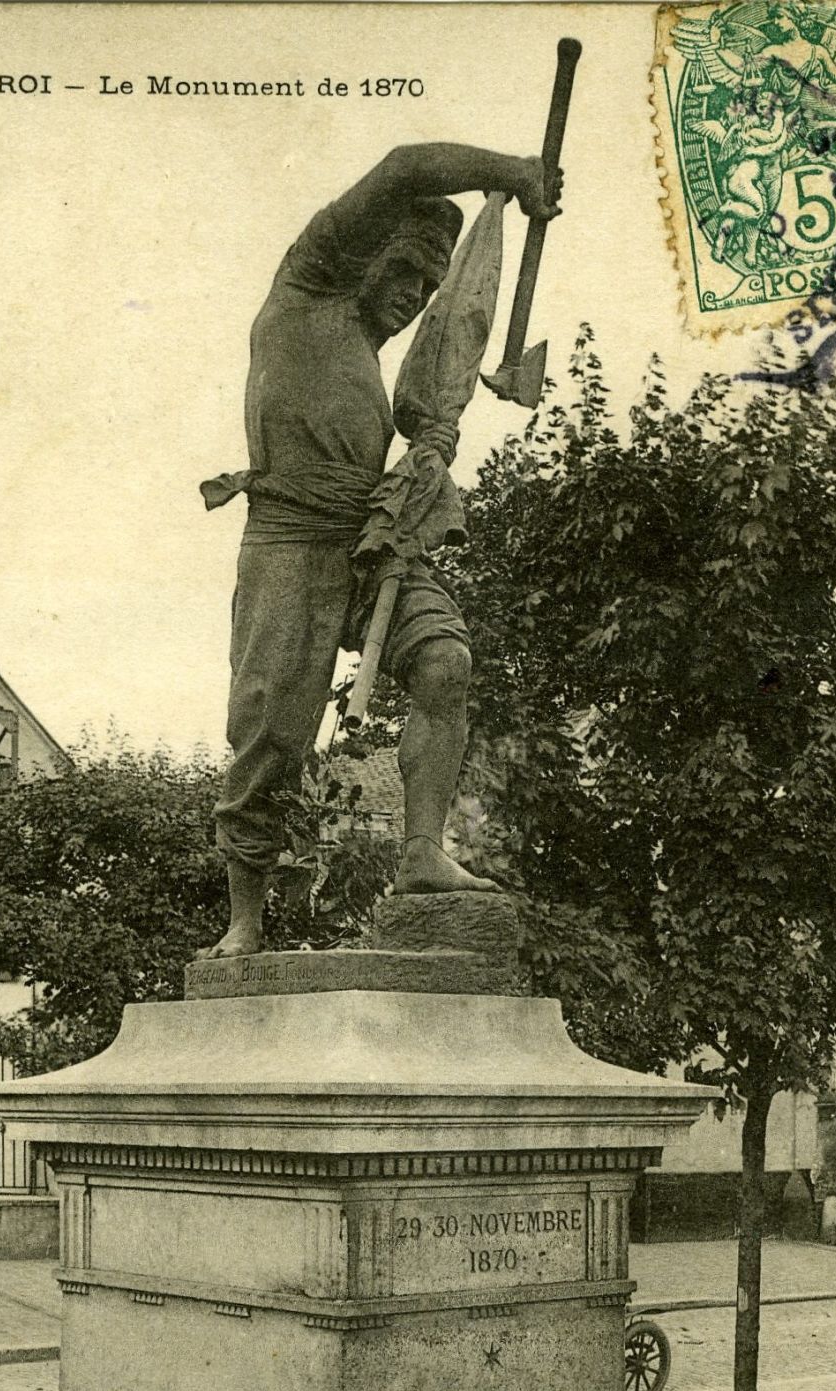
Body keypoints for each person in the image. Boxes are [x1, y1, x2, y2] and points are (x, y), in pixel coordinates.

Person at [202, 142, 559, 958]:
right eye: (402, 272)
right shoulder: (308, 287)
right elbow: (403, 169)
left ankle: (422, 852)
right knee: (270, 737)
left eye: (429, 288)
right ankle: (244, 920)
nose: (412, 296)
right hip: (290, 541)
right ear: (366, 254)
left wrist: (428, 451)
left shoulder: (367, 357)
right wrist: (511, 174)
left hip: (371, 538)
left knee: (445, 663)